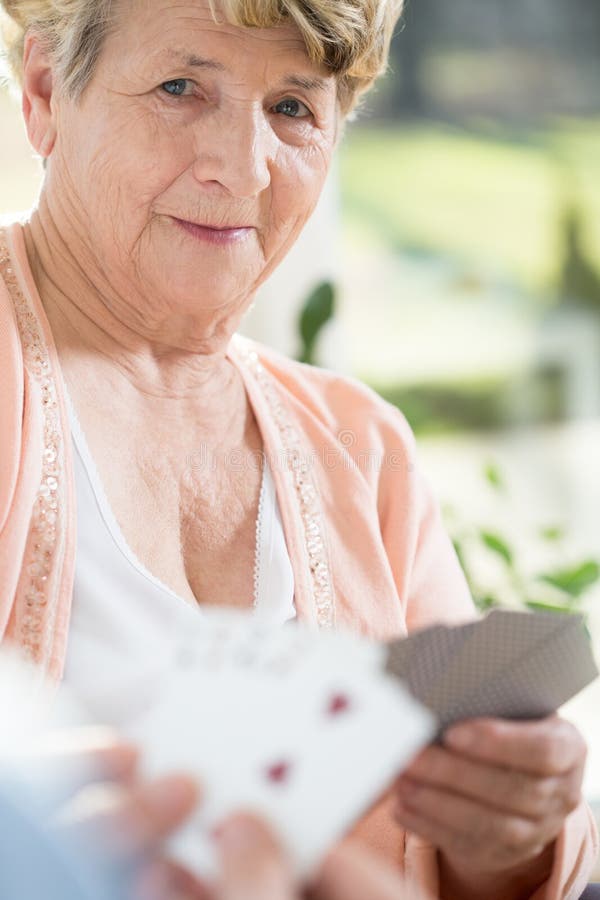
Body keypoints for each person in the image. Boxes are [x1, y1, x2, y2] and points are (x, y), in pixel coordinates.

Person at [0, 0, 596, 897]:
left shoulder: (363, 449)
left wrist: (510, 831)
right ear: (45, 92)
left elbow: (483, 864)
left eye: (292, 108)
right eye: (179, 87)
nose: (242, 170)